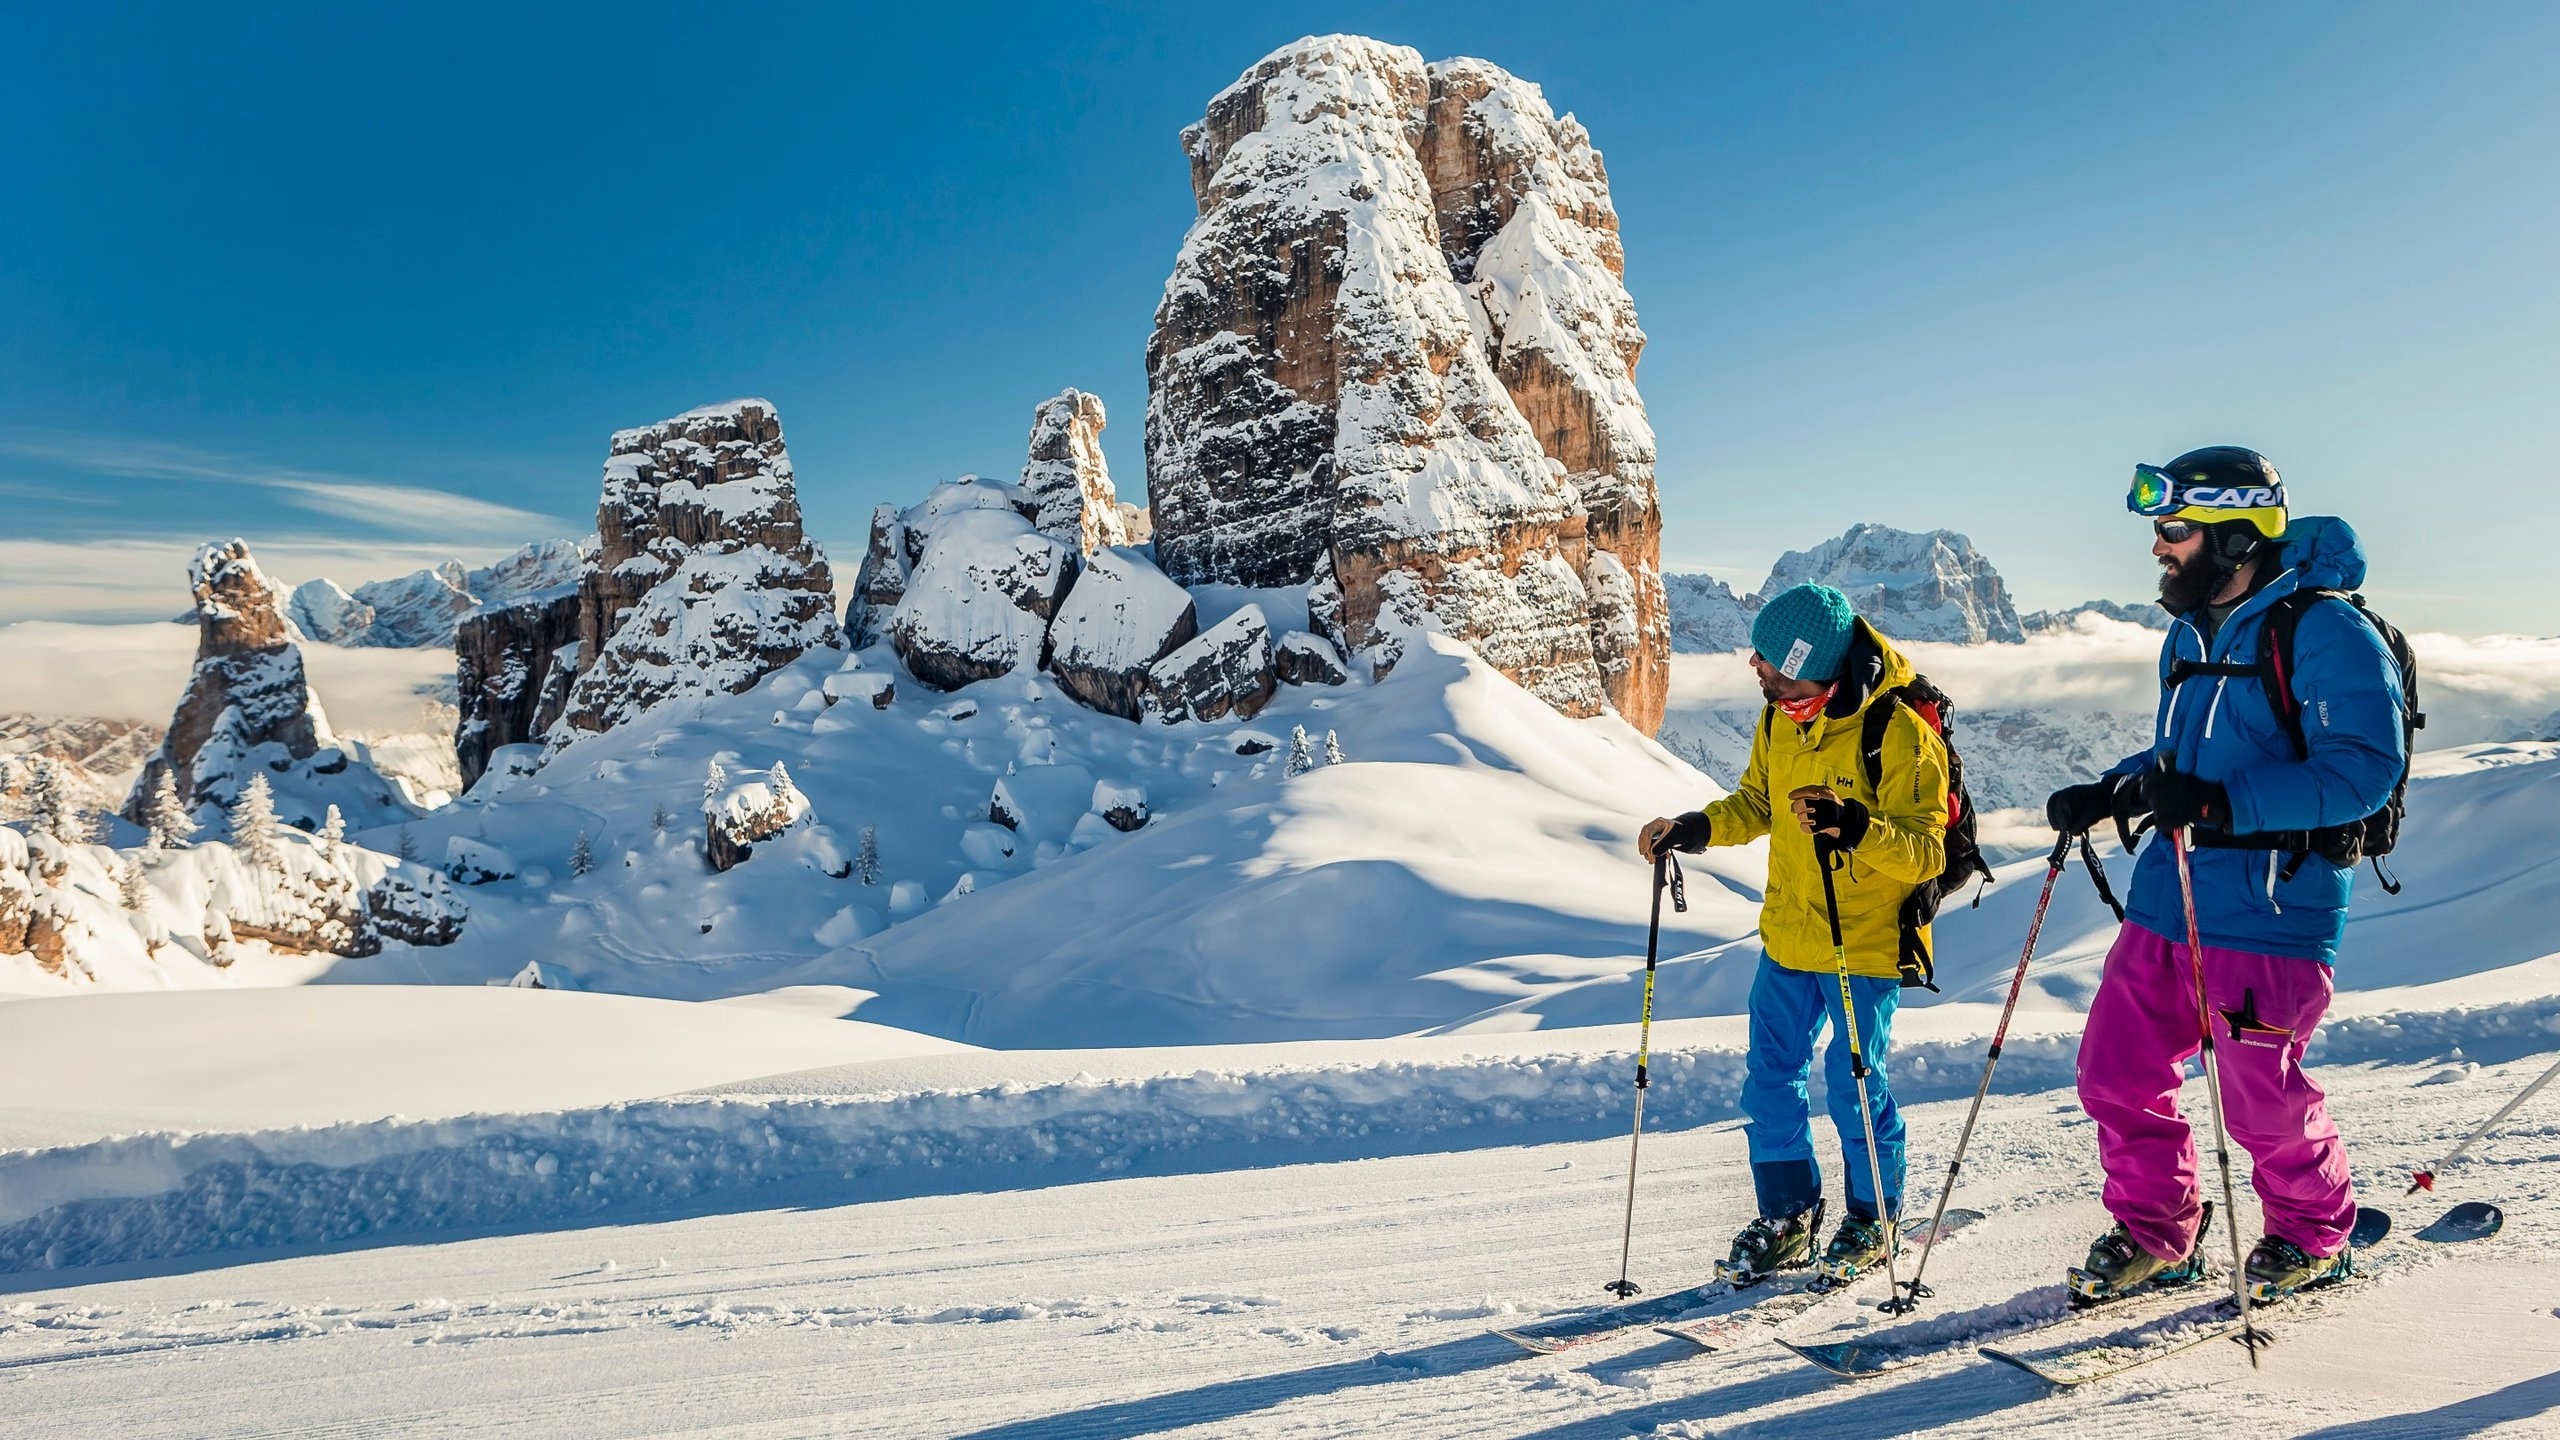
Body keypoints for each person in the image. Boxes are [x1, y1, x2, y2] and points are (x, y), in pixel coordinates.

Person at [2046, 446, 2405, 1302]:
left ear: (2236, 534)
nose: (2160, 547)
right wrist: (2116, 788)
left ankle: (2316, 1236)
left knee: (2260, 1100)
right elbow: (2185, 758)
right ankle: (2157, 1233)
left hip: (2272, 909)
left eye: (2174, 529)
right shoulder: (2190, 630)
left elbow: (2362, 769)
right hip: (2167, 903)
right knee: (2113, 1073)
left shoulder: (2324, 631)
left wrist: (2217, 803)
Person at [1641, 582, 1949, 1285]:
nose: (1755, 666)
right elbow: (1758, 802)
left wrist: (1858, 826)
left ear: (1808, 660)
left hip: (1863, 946)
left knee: (1852, 1082)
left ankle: (1875, 1215)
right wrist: (1695, 828)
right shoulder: (1782, 718)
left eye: (1769, 659)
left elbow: (1926, 851)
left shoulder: (1896, 732)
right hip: (1788, 938)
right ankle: (1788, 1217)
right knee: (1770, 1082)